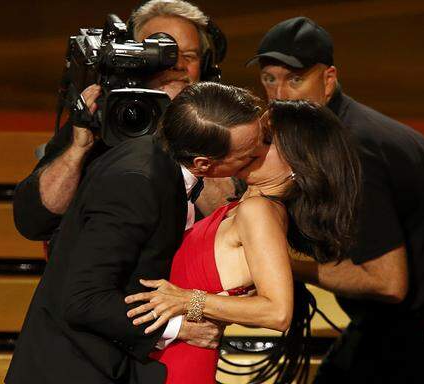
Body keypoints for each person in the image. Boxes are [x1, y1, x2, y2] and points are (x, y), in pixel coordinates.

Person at [247, 17, 424, 384]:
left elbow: (387, 282)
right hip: (391, 321)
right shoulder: (326, 135)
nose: (279, 94)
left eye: (295, 79)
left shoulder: (354, 150)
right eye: (270, 78)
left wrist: (279, 264)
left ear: (328, 81)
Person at [5, 82, 266, 384]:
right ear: (204, 164)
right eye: (248, 155)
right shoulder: (137, 185)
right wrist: (178, 327)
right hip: (74, 369)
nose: (258, 157)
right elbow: (84, 298)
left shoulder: (159, 158)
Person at [12, 0, 234, 352]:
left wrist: (180, 128)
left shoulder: (215, 131)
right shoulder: (103, 117)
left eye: (187, 56)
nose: (173, 64)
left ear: (205, 67)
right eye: (156, 51)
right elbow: (32, 219)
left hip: (180, 320)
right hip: (93, 333)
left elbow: (228, 215)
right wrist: (78, 148)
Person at [123, 97, 361, 384]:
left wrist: (189, 300)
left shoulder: (259, 212)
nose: (253, 145)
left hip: (178, 365)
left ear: (298, 163)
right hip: (163, 357)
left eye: (268, 139)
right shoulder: (247, 208)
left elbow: (277, 311)